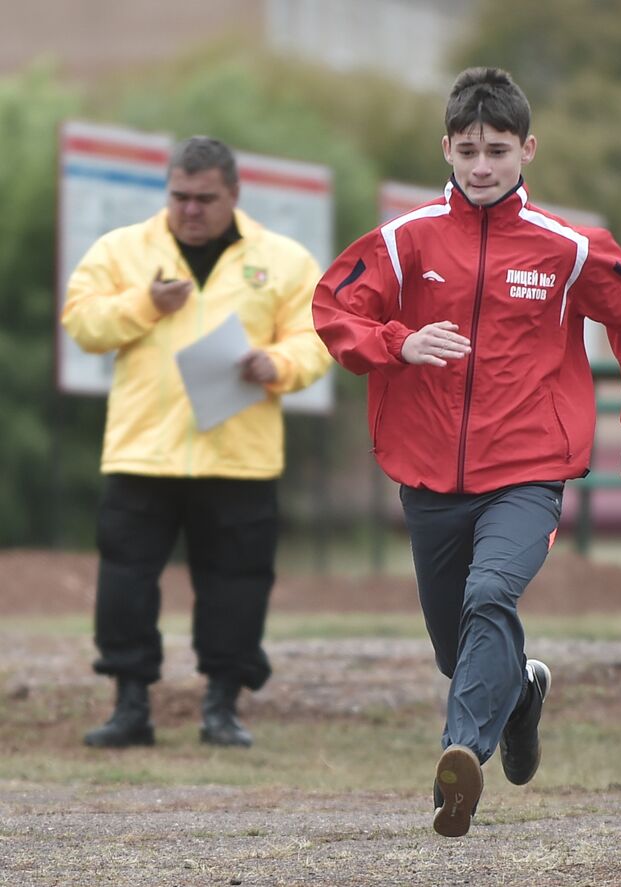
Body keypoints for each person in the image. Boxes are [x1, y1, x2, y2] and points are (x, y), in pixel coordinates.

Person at [313, 67, 621, 837]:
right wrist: (399, 342)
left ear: (527, 151)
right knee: (458, 647)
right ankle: (523, 693)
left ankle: (460, 758)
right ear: (446, 147)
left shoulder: (567, 248)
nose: (481, 166)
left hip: (529, 470)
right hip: (428, 474)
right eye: (468, 149)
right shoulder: (405, 243)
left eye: (498, 150)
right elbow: (332, 308)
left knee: (490, 597)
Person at [62, 136, 331, 748]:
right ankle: (130, 705)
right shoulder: (124, 250)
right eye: (180, 196)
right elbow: (82, 321)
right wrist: (144, 304)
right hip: (143, 452)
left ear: (233, 194)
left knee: (237, 585)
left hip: (240, 456)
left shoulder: (283, 259)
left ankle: (222, 708)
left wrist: (278, 364)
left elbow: (318, 337)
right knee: (125, 584)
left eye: (205, 198)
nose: (190, 210)